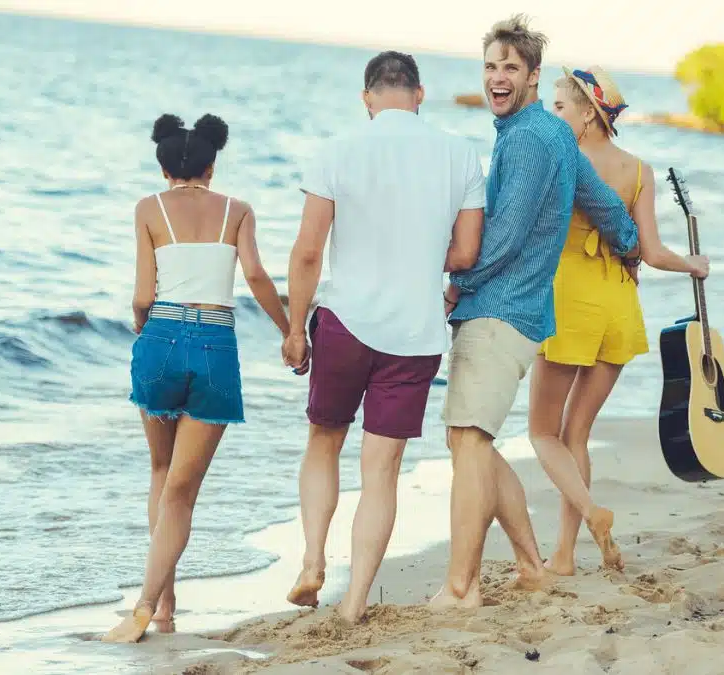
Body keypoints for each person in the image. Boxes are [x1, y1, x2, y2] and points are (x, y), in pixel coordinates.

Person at [434, 15, 641, 609]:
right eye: (491, 67)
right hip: (525, 316)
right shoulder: (555, 135)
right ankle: (529, 562)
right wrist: (627, 250)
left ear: (532, 76)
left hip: (499, 309)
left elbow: (506, 235)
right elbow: (609, 209)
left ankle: (460, 587)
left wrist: (456, 284)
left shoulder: (526, 138)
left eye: (510, 68)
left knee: (469, 441)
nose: (498, 78)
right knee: (468, 439)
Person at [281, 50, 486, 624]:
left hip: (346, 321)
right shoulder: (460, 154)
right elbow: (466, 254)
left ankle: (313, 561)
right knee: (382, 471)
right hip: (416, 334)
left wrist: (295, 328)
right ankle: (352, 603)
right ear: (419, 95)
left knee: (324, 441)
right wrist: (418, 258)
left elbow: (307, 252)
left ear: (367, 97)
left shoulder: (337, 150)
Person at [102, 113, 291, 643]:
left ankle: (164, 606)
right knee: (182, 493)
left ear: (163, 167)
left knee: (160, 473)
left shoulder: (148, 209)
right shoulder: (238, 210)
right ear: (213, 164)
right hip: (215, 347)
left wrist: (147, 327)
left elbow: (143, 294)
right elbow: (254, 275)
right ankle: (148, 604)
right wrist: (290, 331)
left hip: (160, 339)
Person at [531, 66, 710, 576]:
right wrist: (692, 264)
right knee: (577, 436)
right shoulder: (639, 170)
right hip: (619, 306)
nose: (554, 116)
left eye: (561, 107)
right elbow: (651, 252)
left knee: (543, 434)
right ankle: (563, 555)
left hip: (570, 304)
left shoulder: (563, 160)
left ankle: (589, 517)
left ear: (588, 112)